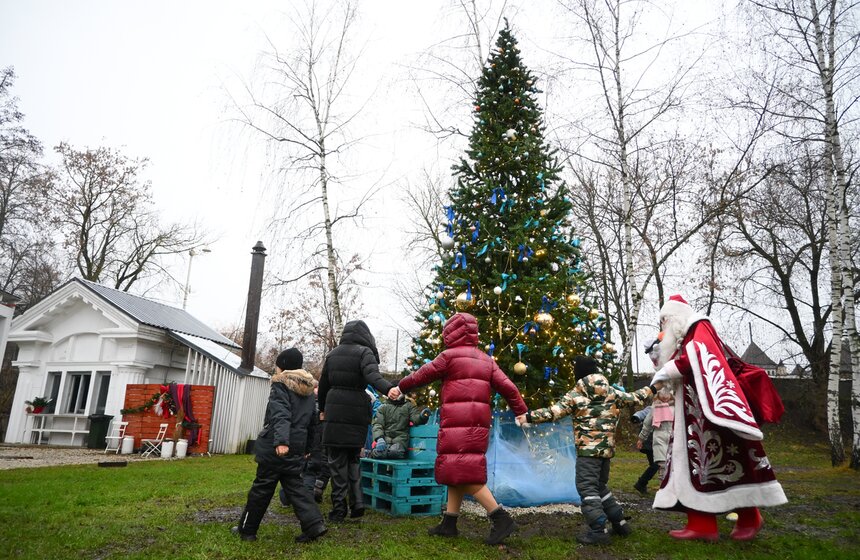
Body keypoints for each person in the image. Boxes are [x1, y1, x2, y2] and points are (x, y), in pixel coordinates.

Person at [650, 294, 787, 541]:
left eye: (665, 320)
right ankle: (702, 524)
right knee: (698, 467)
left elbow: (700, 354)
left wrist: (669, 369)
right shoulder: (685, 336)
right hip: (693, 417)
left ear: (676, 317)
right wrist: (660, 363)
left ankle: (749, 516)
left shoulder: (699, 326)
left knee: (726, 463)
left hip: (712, 415)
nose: (664, 326)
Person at [393, 312, 528, 546]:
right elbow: (508, 387)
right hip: (478, 423)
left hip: (457, 422)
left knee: (464, 472)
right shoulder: (486, 360)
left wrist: (401, 387)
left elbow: (422, 375)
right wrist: (520, 410)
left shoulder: (449, 356)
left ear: (450, 332)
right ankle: (449, 522)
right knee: (457, 468)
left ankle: (500, 518)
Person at [522, 355, 656, 545]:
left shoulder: (575, 394)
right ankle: (620, 522)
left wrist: (528, 417)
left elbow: (553, 412)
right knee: (599, 486)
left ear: (579, 373)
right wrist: (653, 388)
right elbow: (635, 397)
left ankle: (598, 529)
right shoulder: (612, 392)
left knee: (587, 488)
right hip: (606, 452)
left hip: (588, 452)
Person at [233, 348, 327, 543]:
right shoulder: (309, 389)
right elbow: (312, 422)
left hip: (277, 446)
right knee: (295, 486)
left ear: (283, 366)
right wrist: (307, 448)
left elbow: (281, 414)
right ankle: (314, 525)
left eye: (277, 365)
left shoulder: (280, 385)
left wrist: (282, 441)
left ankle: (247, 530)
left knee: (262, 487)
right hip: (297, 446)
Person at [318, 320, 397, 522]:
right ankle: (358, 503)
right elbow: (373, 376)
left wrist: (322, 410)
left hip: (335, 410)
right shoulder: (365, 352)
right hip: (357, 411)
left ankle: (338, 509)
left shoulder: (332, 354)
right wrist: (388, 389)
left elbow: (323, 385)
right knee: (354, 459)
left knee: (336, 462)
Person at [637, 386, 674, 481]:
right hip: (659, 437)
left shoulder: (676, 407)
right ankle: (663, 485)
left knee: (673, 464)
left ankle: (671, 485)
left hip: (673, 438)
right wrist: (641, 439)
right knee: (662, 464)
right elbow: (647, 424)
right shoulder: (655, 407)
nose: (665, 397)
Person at [631, 406, 657, 496]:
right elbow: (642, 413)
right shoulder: (652, 408)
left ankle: (641, 483)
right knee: (656, 464)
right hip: (650, 442)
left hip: (651, 442)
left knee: (654, 465)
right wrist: (636, 417)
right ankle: (641, 483)